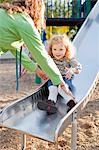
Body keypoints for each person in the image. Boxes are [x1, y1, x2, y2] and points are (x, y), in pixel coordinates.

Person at [0, 0, 71, 99]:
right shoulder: (24, 22)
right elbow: (41, 55)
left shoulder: (7, 15)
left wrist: (38, 71)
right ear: (37, 10)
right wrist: (60, 82)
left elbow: (15, 50)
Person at [37, 34, 82, 114]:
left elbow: (78, 67)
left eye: (61, 49)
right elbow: (41, 65)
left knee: (61, 89)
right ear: (51, 49)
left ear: (66, 49)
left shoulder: (69, 59)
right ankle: (50, 104)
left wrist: (72, 70)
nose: (57, 52)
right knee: (52, 89)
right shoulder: (50, 59)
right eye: (55, 49)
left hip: (65, 80)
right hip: (53, 78)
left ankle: (71, 102)